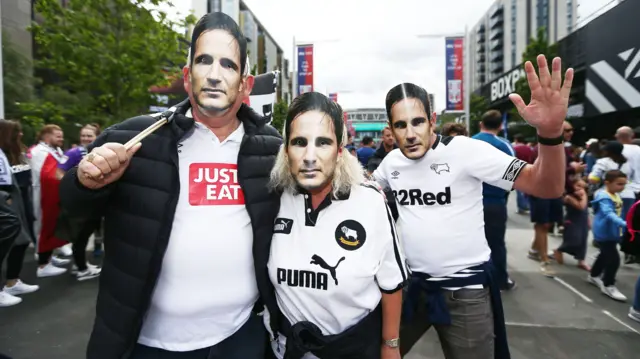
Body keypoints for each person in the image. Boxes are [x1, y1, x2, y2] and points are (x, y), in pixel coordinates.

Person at [59, 12, 282, 359]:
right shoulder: (133, 138)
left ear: (245, 84)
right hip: (150, 343)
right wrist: (87, 182)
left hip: (241, 336)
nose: (213, 74)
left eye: (228, 64)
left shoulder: (271, 148)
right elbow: (71, 209)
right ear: (187, 76)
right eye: (203, 60)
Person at [373, 55, 573, 359]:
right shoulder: (391, 163)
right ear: (390, 128)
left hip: (466, 294)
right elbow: (362, 198)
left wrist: (550, 133)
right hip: (410, 291)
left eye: (418, 121)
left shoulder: (466, 151)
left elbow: (547, 186)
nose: (410, 133)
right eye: (401, 125)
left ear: (433, 119)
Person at [266, 92, 406, 359]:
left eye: (323, 142)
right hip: (286, 350)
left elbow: (392, 285)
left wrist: (391, 346)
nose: (309, 156)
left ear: (340, 151)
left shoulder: (370, 202)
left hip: (355, 350)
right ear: (286, 150)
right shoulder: (275, 200)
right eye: (298, 142)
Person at [472, 110, 516, 291]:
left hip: (468, 203)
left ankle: (474, 280)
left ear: (481, 123)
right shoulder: (505, 146)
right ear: (500, 126)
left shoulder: (468, 143)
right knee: (496, 243)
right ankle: (500, 280)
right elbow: (512, 180)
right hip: (494, 204)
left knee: (470, 242)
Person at [0, 120, 40, 306]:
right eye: (17, 131)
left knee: (21, 242)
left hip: (19, 200)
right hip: (7, 201)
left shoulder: (14, 153)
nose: (21, 134)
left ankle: (12, 281)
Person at [57, 123, 102, 281]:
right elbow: (59, 172)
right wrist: (74, 188)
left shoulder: (101, 151)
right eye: (83, 135)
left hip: (95, 201)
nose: (85, 138)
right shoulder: (73, 152)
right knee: (80, 235)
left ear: (97, 136)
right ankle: (81, 268)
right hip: (79, 202)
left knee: (87, 233)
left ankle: (81, 263)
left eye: (89, 135)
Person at [29, 124, 70, 277]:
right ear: (46, 135)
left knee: (53, 226)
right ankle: (42, 264)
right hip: (42, 195)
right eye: (57, 135)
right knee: (44, 226)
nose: (61, 138)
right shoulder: (39, 152)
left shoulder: (56, 150)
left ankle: (49, 258)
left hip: (54, 195)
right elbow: (46, 176)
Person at [588, 170, 628, 301]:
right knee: (614, 259)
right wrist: (623, 223)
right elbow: (608, 213)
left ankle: (594, 275)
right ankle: (608, 284)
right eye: (619, 184)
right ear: (607, 183)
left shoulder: (615, 194)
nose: (622, 187)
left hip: (612, 231)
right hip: (604, 232)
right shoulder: (604, 197)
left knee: (604, 255)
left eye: (624, 184)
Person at [553, 178, 590, 271]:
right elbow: (581, 206)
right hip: (572, 221)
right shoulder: (569, 197)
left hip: (583, 221)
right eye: (578, 186)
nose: (580, 189)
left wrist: (588, 221)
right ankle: (559, 250)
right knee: (574, 239)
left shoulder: (582, 196)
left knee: (583, 240)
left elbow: (585, 211)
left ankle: (581, 260)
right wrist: (584, 196)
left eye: (583, 187)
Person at [513, 133, 534, 213]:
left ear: (516, 140)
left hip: (517, 170)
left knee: (519, 190)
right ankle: (528, 204)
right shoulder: (529, 148)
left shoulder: (515, 148)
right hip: (528, 168)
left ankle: (521, 207)